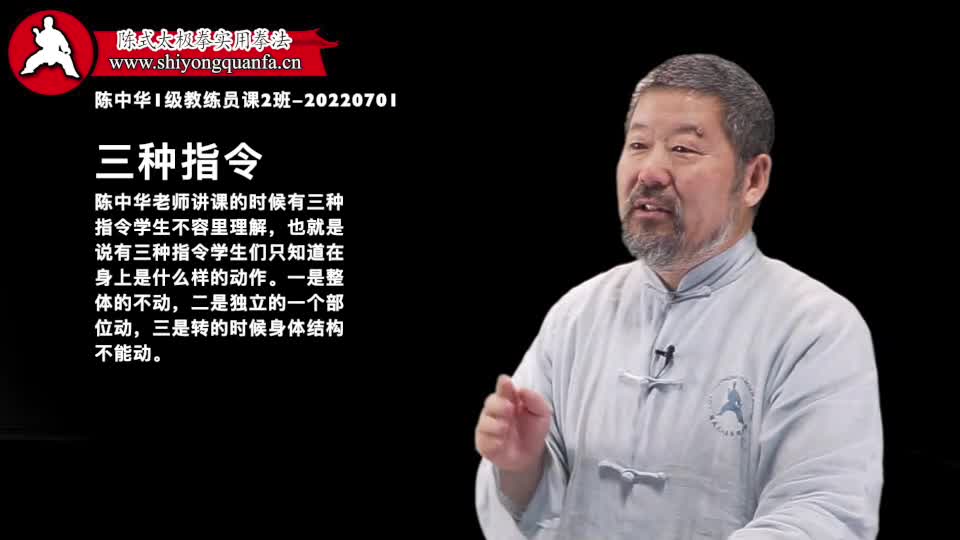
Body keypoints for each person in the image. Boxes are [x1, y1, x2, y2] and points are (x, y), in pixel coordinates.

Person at [474, 54, 883, 539]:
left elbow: (822, 514)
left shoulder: (816, 327)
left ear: (753, 179)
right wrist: (521, 469)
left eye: (683, 149)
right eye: (638, 144)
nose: (650, 171)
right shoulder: (579, 313)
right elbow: (527, 507)